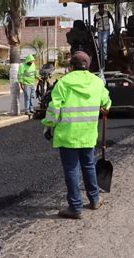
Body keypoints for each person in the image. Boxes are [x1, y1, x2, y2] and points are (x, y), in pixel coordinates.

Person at [42, 51, 111, 219]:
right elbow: (107, 103)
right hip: (88, 134)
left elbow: (54, 108)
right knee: (89, 166)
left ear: (71, 67)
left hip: (68, 135)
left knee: (72, 170)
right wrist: (104, 108)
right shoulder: (97, 83)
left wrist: (48, 126)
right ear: (88, 66)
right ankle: (94, 199)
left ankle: (75, 207)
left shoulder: (64, 83)